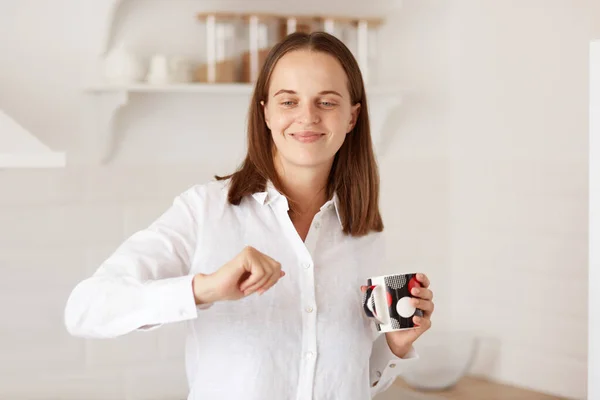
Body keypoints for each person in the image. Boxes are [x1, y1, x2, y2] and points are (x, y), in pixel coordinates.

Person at [64, 31, 435, 400]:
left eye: (326, 102)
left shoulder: (364, 232)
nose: (307, 117)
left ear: (352, 117)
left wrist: (395, 347)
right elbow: (86, 309)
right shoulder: (204, 211)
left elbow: (346, 381)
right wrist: (204, 288)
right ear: (266, 113)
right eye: (288, 102)